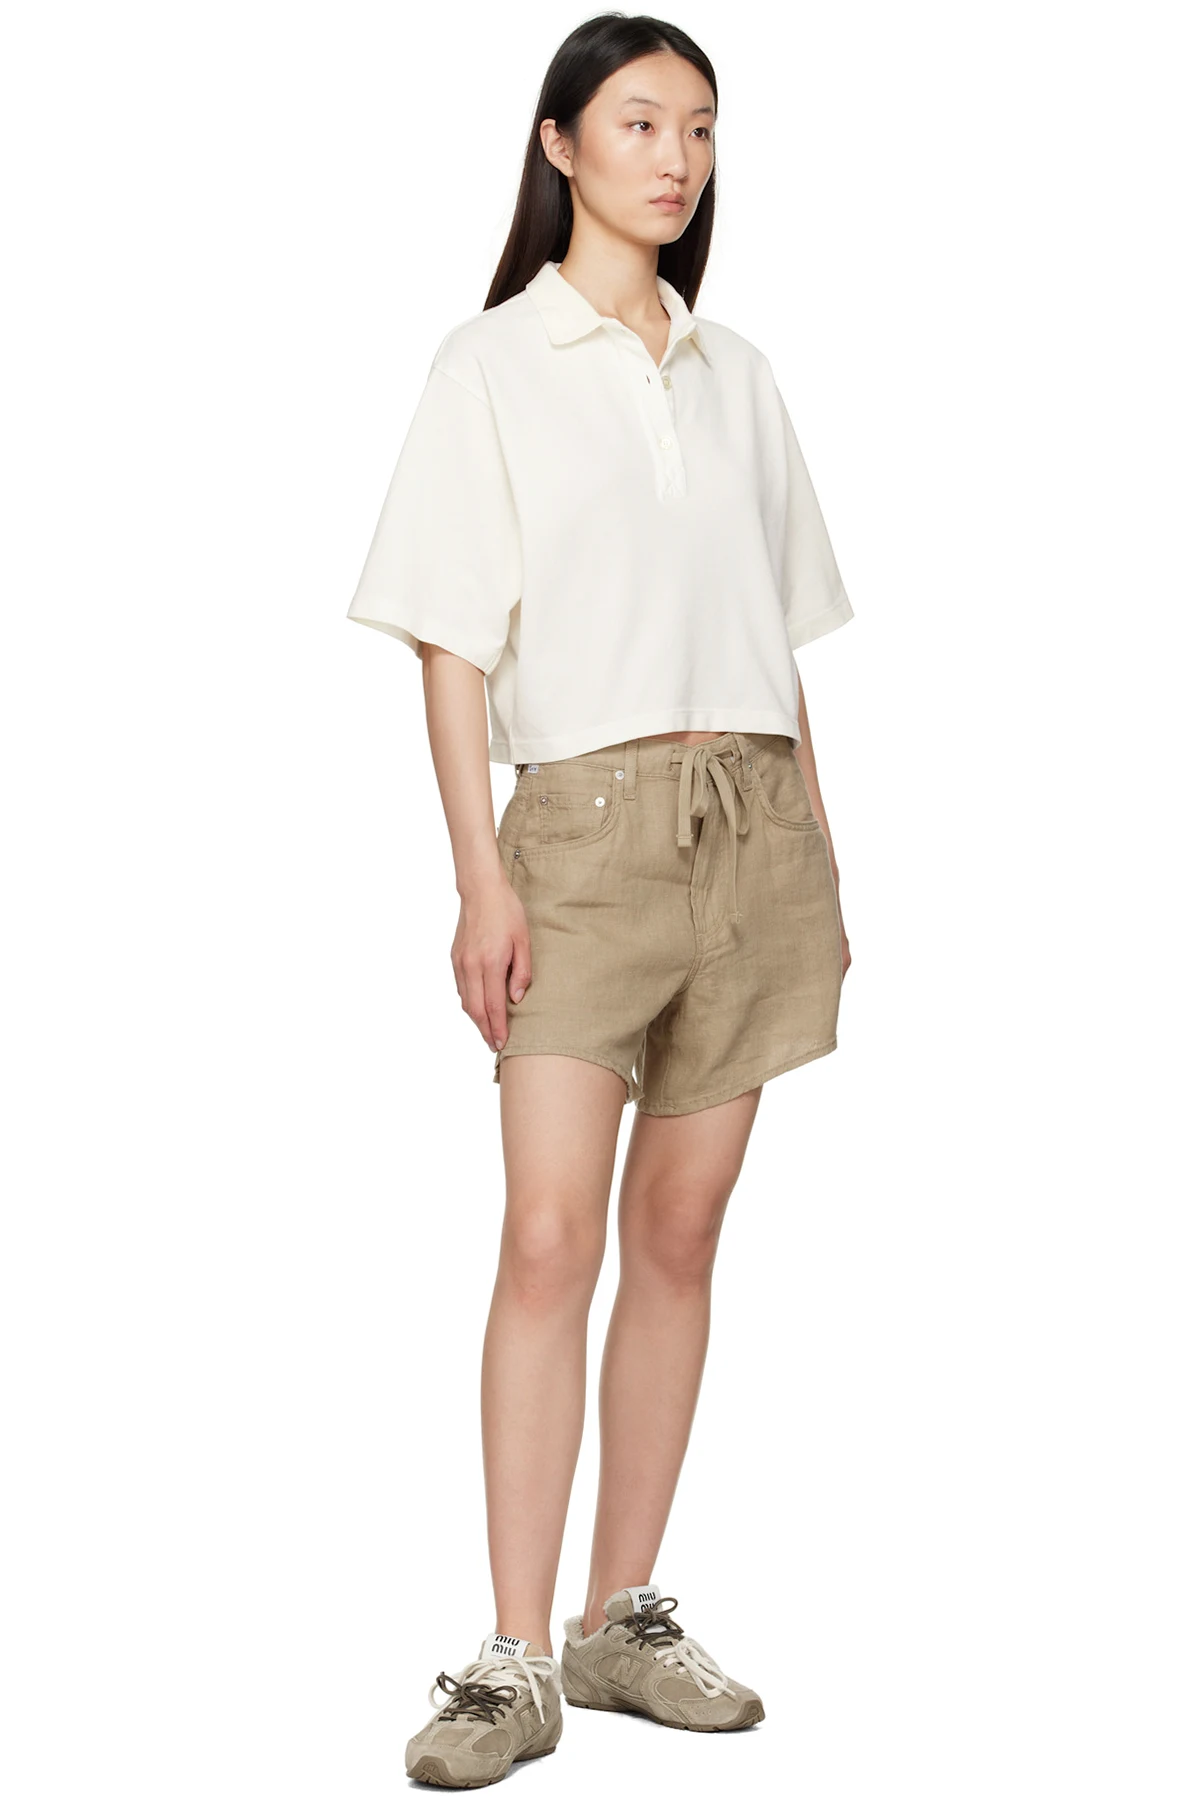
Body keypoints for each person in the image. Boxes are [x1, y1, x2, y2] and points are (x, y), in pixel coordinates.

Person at [345, 15, 854, 1788]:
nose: (676, 158)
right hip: (579, 832)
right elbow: (447, 644)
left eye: (700, 128)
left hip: (755, 828)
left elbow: (779, 646)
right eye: (639, 122)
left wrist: (824, 858)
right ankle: (509, 1659)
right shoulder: (490, 363)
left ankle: (619, 1619)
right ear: (559, 142)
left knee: (686, 1232)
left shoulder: (740, 376)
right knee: (552, 1235)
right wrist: (477, 877)